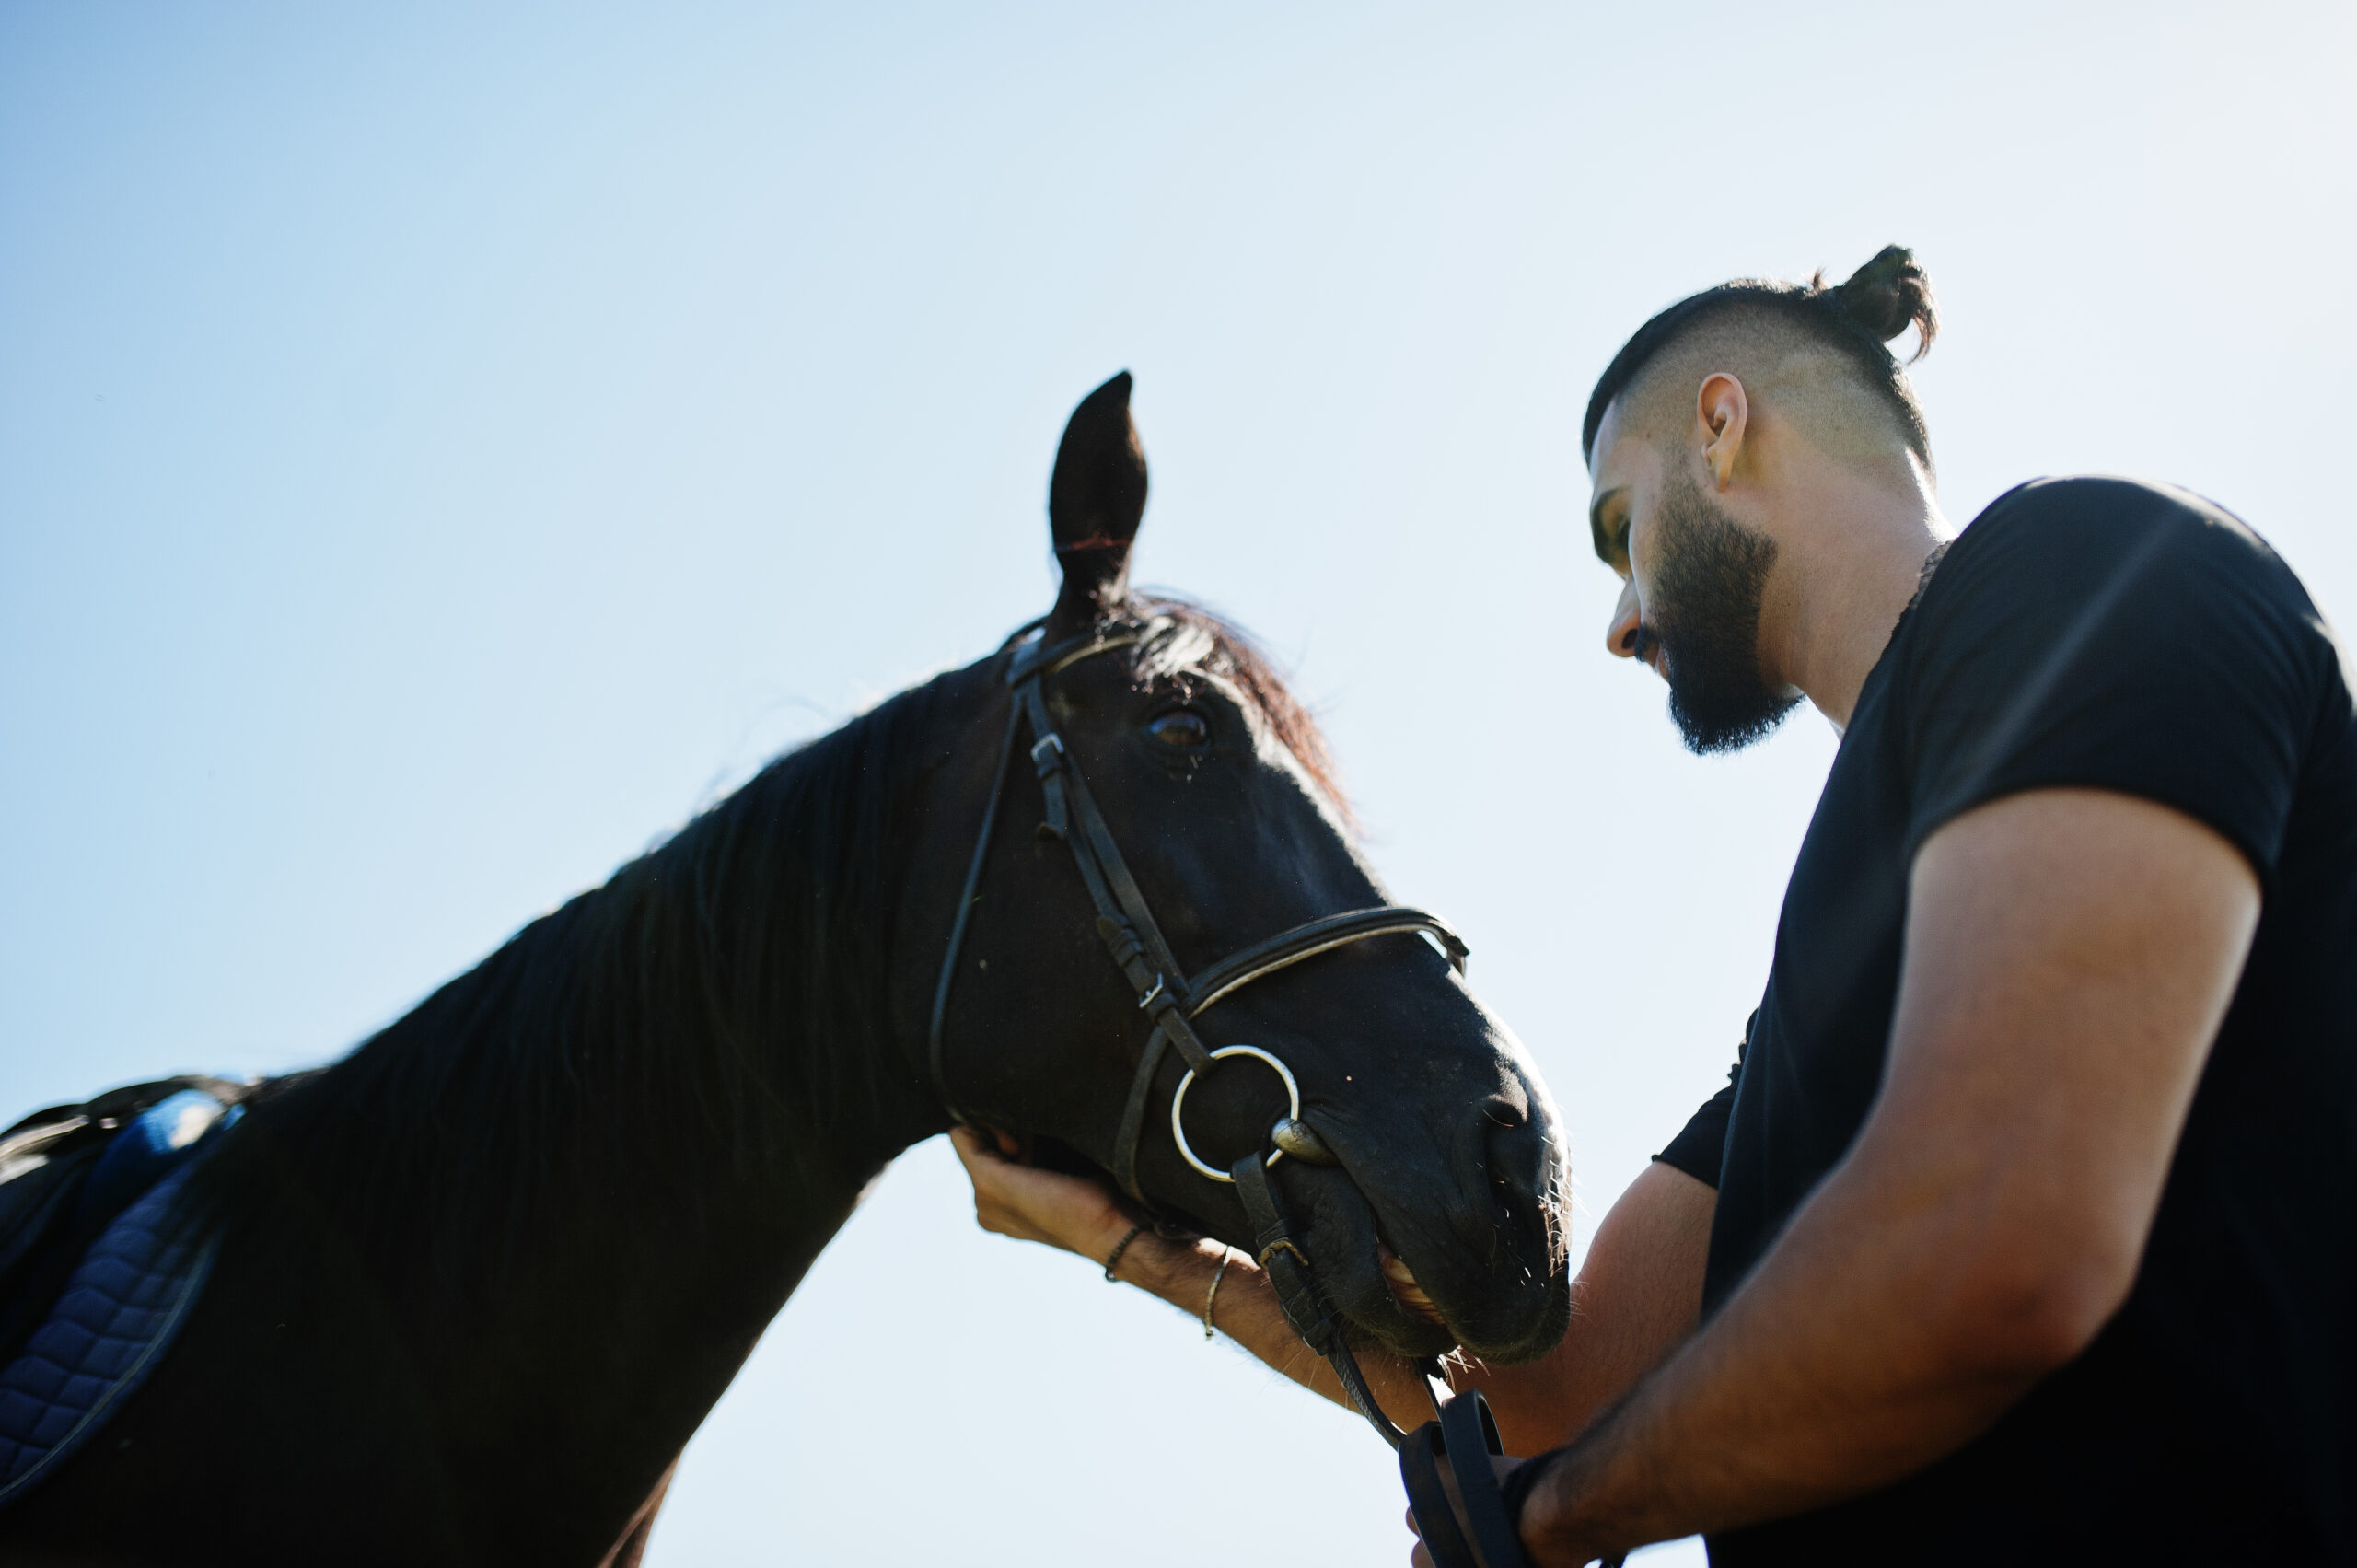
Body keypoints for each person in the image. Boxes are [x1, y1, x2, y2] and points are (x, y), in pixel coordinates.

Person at [953, 245, 2357, 1564]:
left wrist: (1552, 1523)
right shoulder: (1837, 985)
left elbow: (1996, 1246)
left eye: (1618, 530)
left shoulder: (2093, 574)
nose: (1620, 616)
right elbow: (1547, 1399)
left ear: (1722, 425)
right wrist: (1121, 1239)